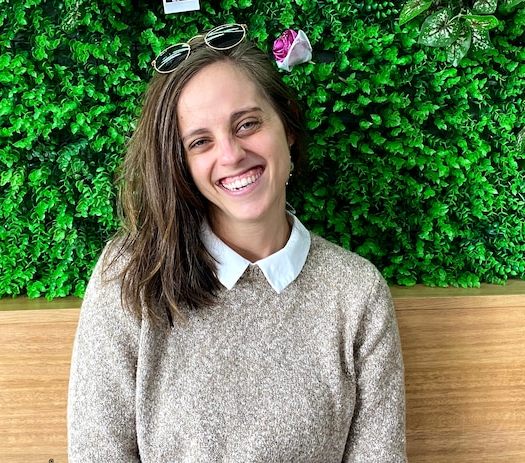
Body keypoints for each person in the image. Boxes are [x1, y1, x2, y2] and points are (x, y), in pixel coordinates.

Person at [67, 23, 406, 462]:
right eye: (200, 142)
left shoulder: (356, 293)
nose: (230, 154)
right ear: (181, 164)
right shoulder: (132, 274)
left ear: (287, 127)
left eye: (246, 124)